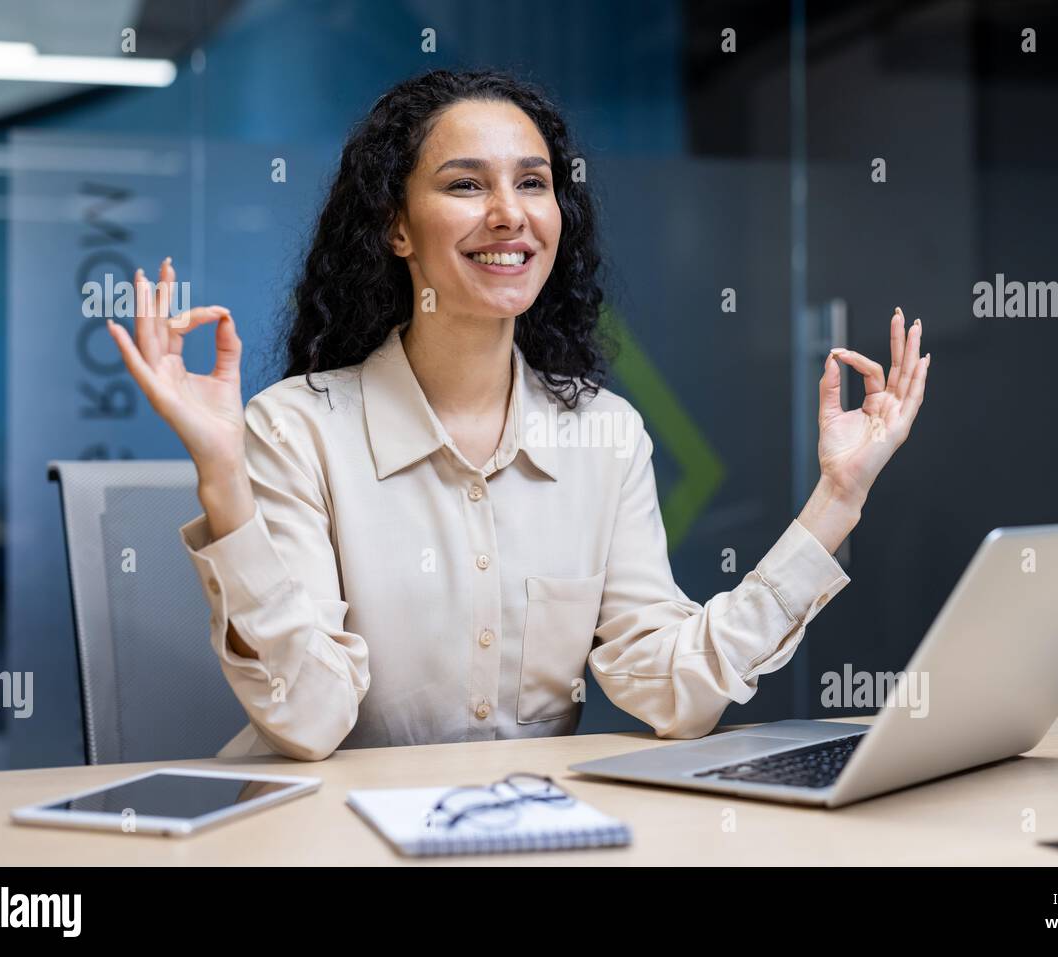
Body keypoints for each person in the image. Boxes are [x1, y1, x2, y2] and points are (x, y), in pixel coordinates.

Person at [105, 69, 930, 761]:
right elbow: (311, 718)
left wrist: (838, 499)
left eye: (532, 183)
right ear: (396, 226)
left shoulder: (605, 436)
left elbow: (673, 690)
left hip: (515, 838)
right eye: (466, 184)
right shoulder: (296, 428)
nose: (510, 213)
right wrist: (222, 475)